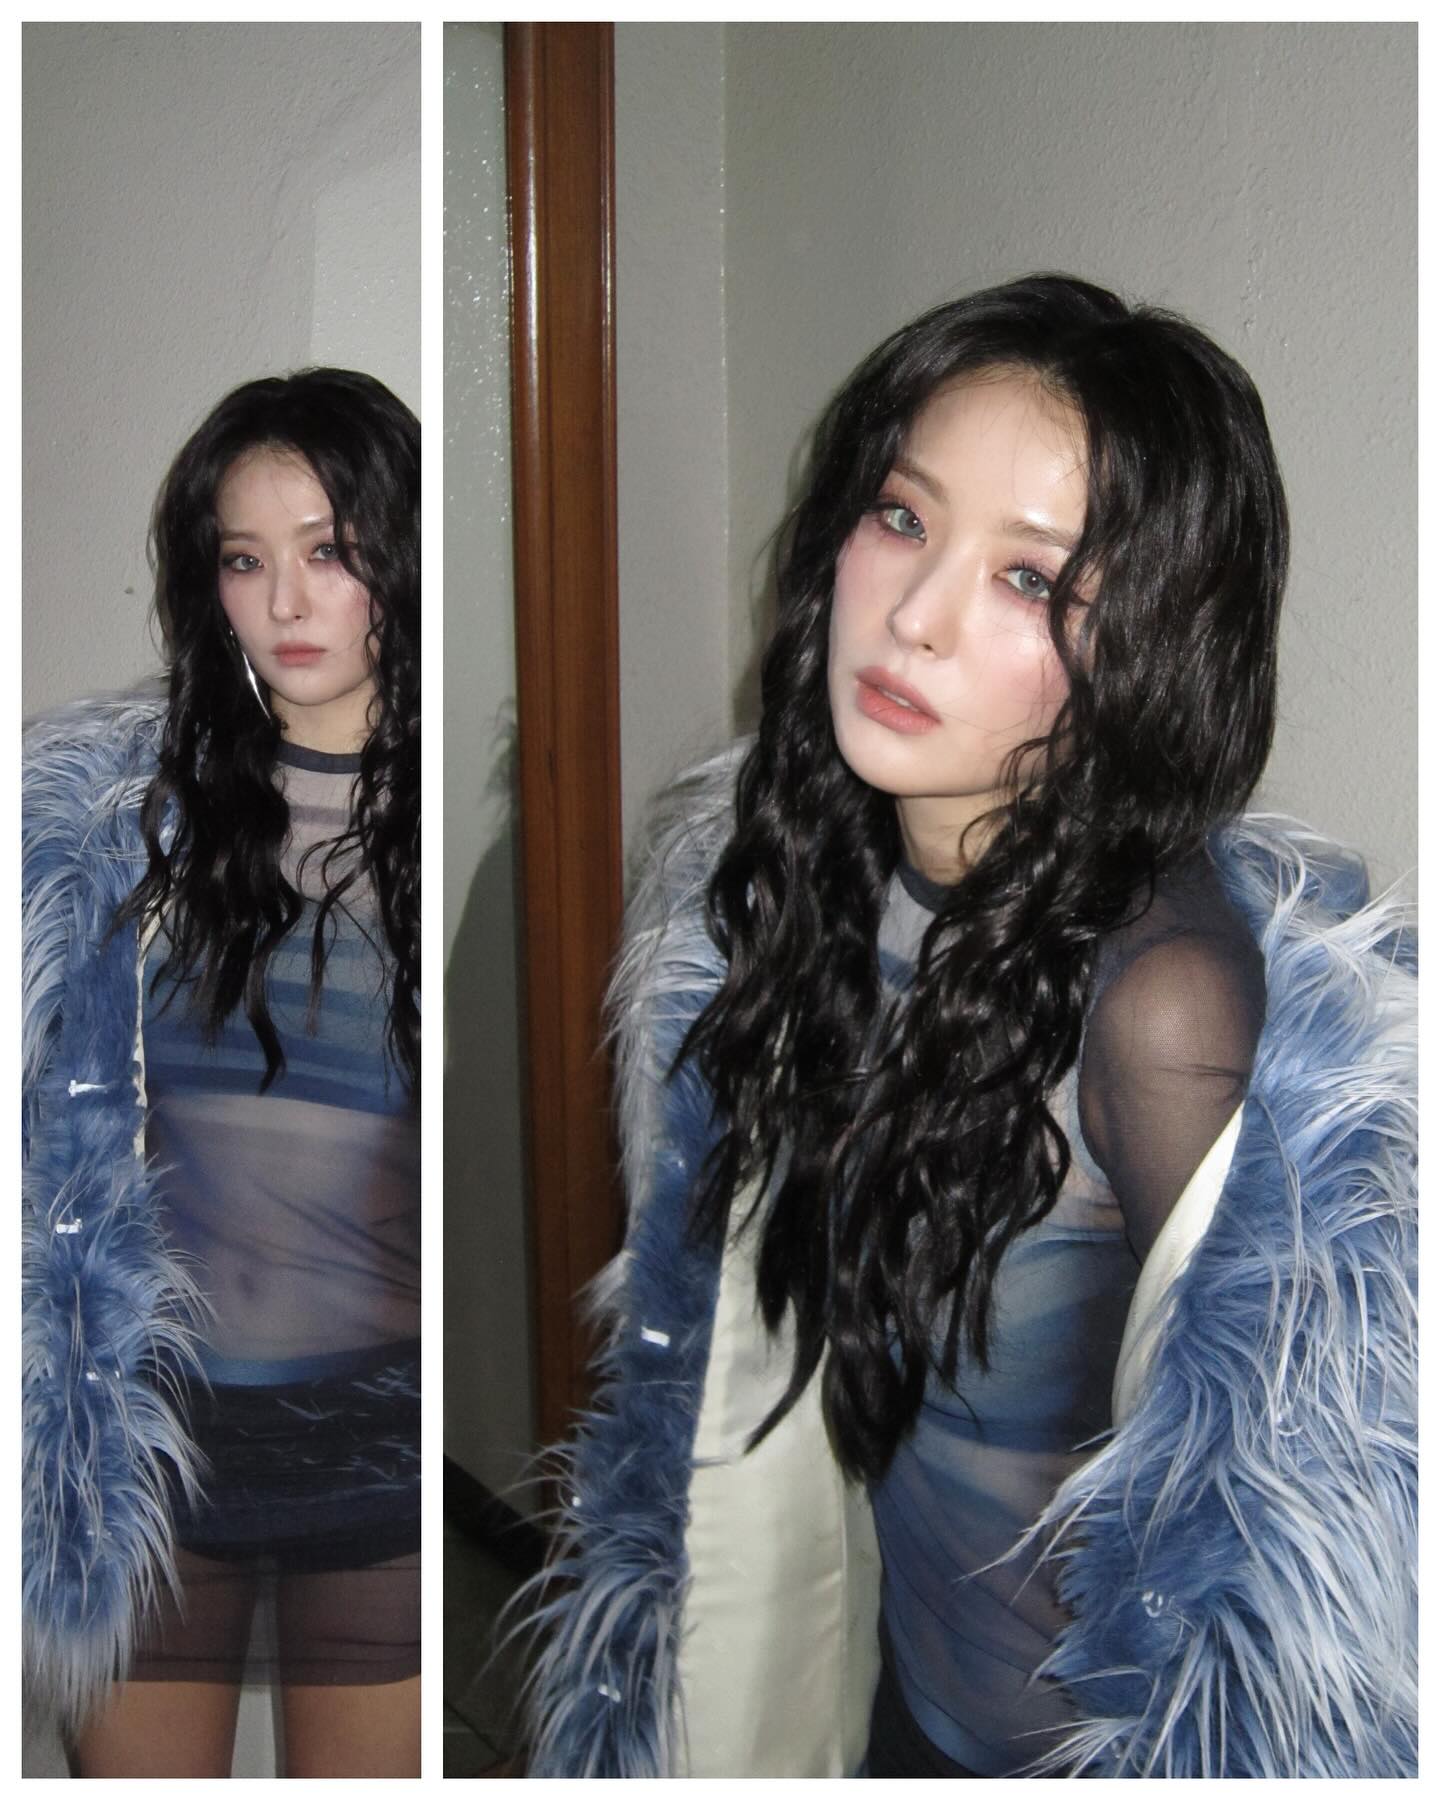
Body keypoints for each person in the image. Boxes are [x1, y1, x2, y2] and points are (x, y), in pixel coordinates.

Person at [520, 274, 1417, 1777]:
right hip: (885, 1706)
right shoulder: (793, 889)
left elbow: (1275, 1565)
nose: (914, 615)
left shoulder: (1164, 1007)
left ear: (1151, 644)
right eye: (903, 516)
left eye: (1027, 578)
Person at [21, 368, 421, 1777]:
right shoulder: (113, 825)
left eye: (330, 551)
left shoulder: (448, 834)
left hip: (380, 1453)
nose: (287, 603)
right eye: (245, 561)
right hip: (142, 1452)